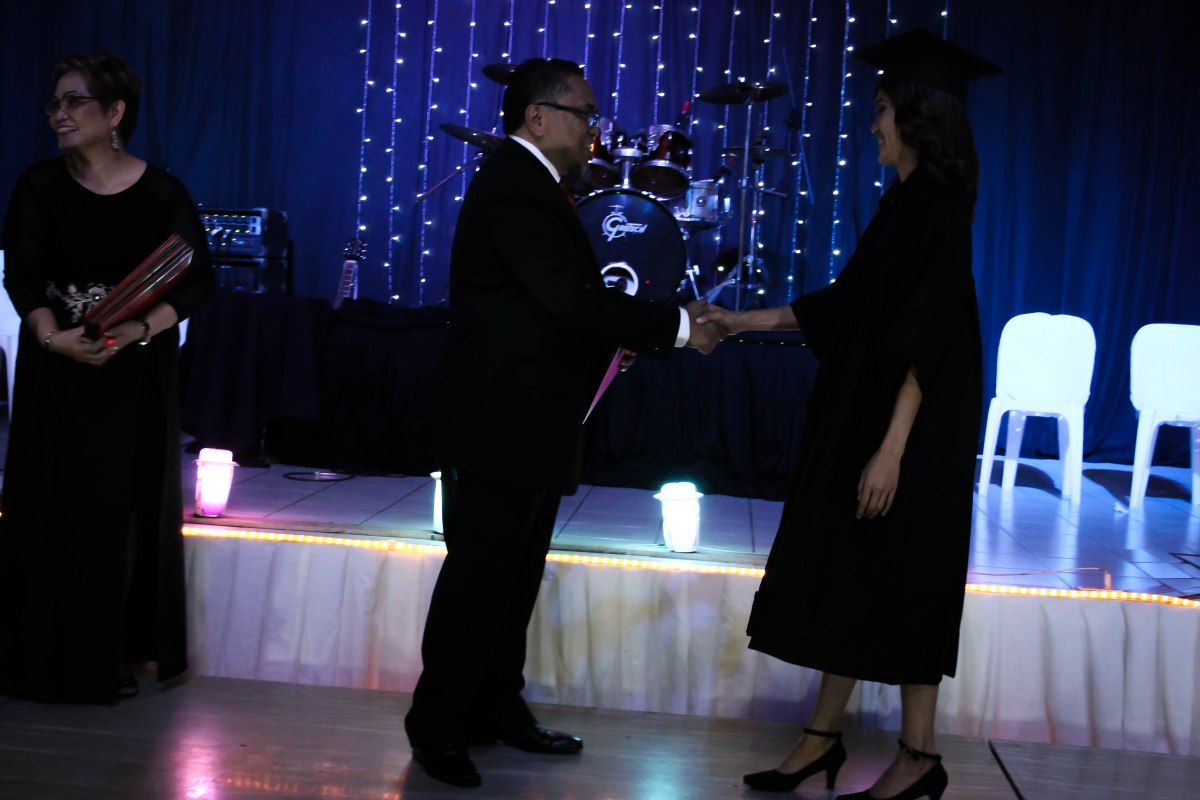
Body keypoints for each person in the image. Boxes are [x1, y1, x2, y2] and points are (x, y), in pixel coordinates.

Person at [404, 57, 722, 788]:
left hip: (532, 415)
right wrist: (679, 327)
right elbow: (569, 298)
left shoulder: (538, 185)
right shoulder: (515, 185)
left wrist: (612, 344)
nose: (594, 130)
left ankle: (493, 706)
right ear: (537, 117)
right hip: (498, 418)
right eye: (584, 114)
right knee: (480, 577)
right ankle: (438, 723)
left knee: (514, 577)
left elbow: (552, 307)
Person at [699, 30, 1000, 800]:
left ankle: (919, 755)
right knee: (858, 570)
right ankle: (821, 738)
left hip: (914, 428)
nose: (873, 125)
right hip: (878, 418)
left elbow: (930, 335)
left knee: (909, 577)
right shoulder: (904, 205)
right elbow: (846, 306)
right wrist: (738, 321)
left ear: (918, 116)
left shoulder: (939, 209)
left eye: (883, 109)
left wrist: (892, 449)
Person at [0, 52, 215, 703]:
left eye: (74, 102)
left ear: (115, 112)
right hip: (57, 370)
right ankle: (38, 658)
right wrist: (51, 337)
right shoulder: (39, 185)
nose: (58, 115)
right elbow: (23, 276)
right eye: (54, 103)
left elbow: (197, 283)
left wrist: (136, 331)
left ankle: (114, 654)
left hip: (132, 377)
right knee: (50, 506)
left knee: (119, 511)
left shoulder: (162, 195)